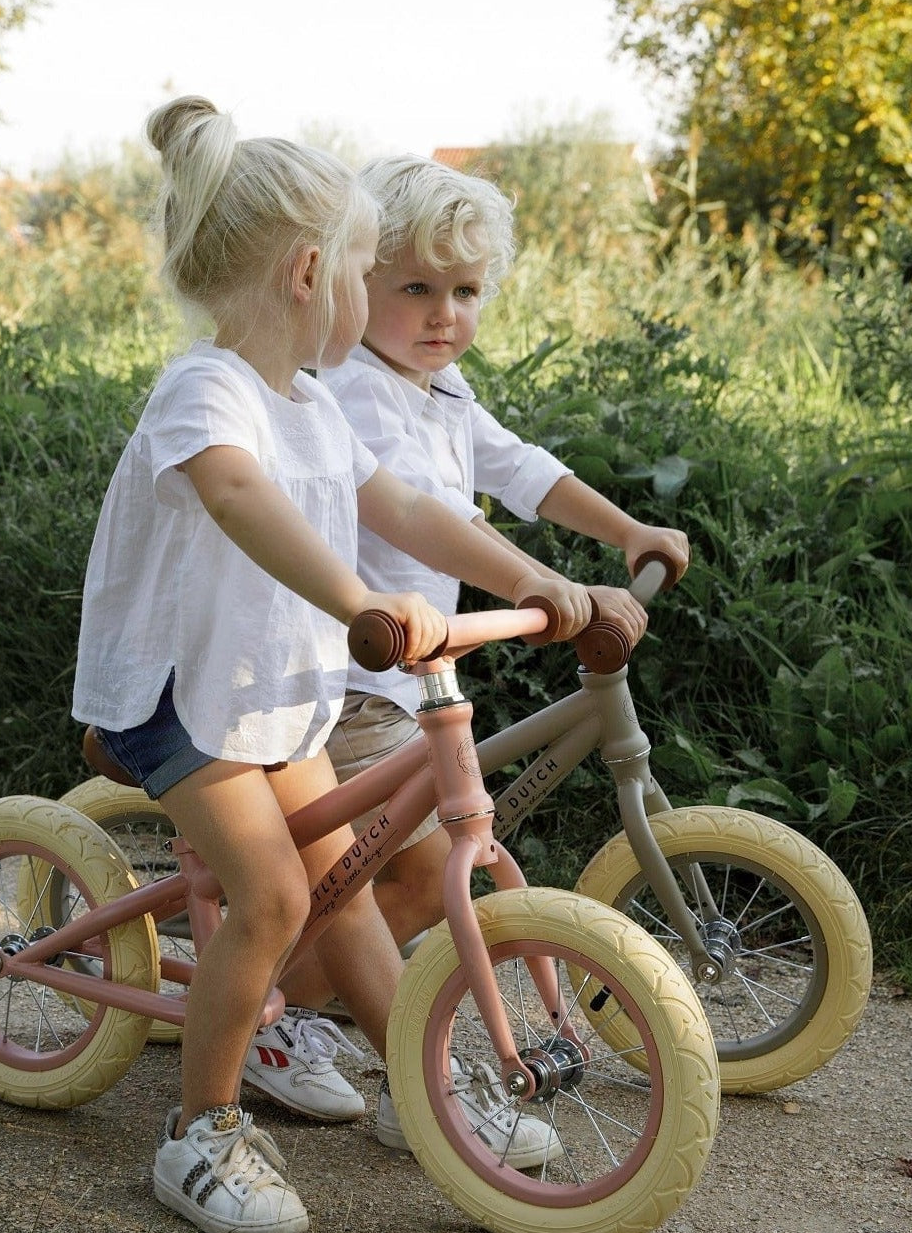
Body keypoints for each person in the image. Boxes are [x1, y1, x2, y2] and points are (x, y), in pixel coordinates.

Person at [72, 100, 593, 1233]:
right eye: (367, 268)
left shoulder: (311, 404)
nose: (368, 295)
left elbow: (404, 504)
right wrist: (359, 600)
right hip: (178, 695)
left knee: (340, 877)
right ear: (312, 272)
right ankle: (200, 1133)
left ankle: (423, 1083)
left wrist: (532, 577)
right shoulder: (205, 393)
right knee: (270, 897)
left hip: (268, 690)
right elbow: (237, 497)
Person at [240, 153, 691, 1131]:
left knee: (405, 868)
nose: (444, 313)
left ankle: (312, 1006)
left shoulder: (440, 387)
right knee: (381, 872)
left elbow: (520, 468)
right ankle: (297, 1024)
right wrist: (539, 581)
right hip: (346, 677)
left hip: (416, 674)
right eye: (415, 287)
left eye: (466, 290)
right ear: (357, 282)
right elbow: (410, 518)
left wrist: (624, 533)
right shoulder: (355, 388)